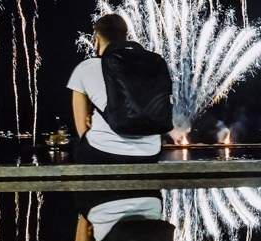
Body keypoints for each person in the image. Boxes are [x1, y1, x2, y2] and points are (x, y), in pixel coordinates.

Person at [67, 13, 182, 163]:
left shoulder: (85, 67)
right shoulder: (149, 65)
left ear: (97, 40)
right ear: (125, 37)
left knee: (78, 150)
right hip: (151, 153)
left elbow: (81, 124)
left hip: (101, 151)